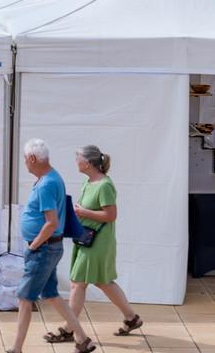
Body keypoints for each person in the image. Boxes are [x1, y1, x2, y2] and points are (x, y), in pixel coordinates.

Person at [44, 146, 142, 344]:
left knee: (78, 283)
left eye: (78, 158)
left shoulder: (104, 185)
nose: (76, 162)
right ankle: (131, 318)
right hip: (87, 238)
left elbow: (111, 215)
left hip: (98, 240)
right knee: (102, 281)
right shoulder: (89, 182)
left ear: (87, 163)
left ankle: (68, 328)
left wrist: (84, 213)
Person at [9, 139, 95, 353]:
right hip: (49, 248)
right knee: (51, 295)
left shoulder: (47, 183)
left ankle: (16, 348)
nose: (25, 164)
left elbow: (52, 222)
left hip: (43, 249)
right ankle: (83, 340)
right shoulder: (49, 178)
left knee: (24, 297)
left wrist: (33, 246)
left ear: (31, 158)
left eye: (25, 160)